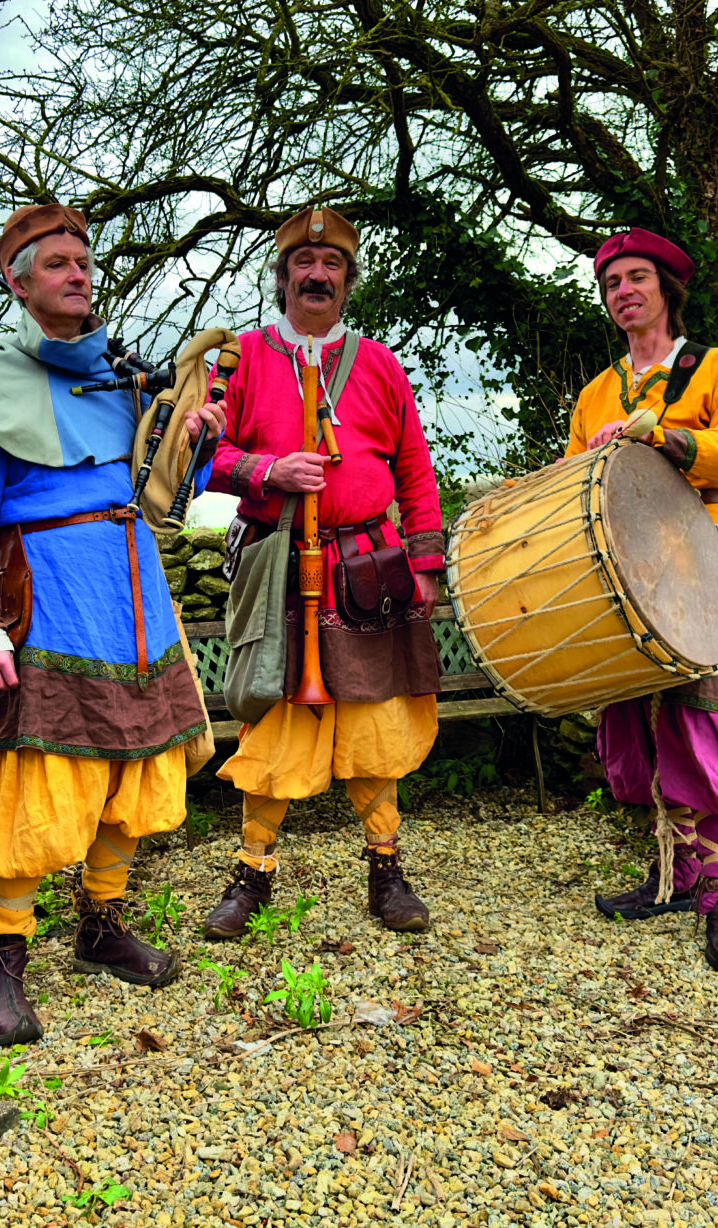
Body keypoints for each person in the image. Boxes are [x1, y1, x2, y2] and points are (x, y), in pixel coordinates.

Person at [0, 204, 223, 1047]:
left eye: (83, 259)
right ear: (18, 281)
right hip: (54, 592)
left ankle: (101, 923)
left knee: (135, 765)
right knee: (42, 776)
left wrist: (196, 436)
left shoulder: (123, 378)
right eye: (58, 262)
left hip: (133, 589)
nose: (78, 272)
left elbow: (166, 486)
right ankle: (2, 961)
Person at [200, 205, 445, 940]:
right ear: (282, 279)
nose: (317, 274)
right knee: (274, 718)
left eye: (331, 265)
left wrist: (426, 562)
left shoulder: (379, 364)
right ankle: (253, 872)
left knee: (374, 717)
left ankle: (386, 865)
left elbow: (412, 467)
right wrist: (268, 468)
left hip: (368, 563)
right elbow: (206, 463)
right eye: (303, 266)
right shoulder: (239, 358)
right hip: (278, 560)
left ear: (347, 281)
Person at [568, 227, 718, 972]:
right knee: (652, 726)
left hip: (704, 561)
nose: (622, 291)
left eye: (636, 278)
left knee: (707, 723)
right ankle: (675, 876)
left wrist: (665, 437)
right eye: (610, 283)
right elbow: (574, 482)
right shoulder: (597, 392)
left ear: (667, 288)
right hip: (626, 574)